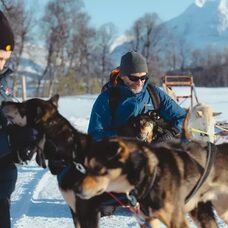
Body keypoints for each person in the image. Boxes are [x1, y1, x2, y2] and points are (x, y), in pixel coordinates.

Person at [88, 51, 186, 142]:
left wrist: (171, 133)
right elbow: (94, 135)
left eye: (143, 78)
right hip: (121, 154)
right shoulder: (108, 99)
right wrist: (121, 135)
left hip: (152, 153)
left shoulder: (154, 94)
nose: (139, 82)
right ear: (122, 76)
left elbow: (182, 117)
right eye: (134, 78)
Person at [0, 11, 37, 228]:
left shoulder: (3, 85)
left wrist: (22, 141)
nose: (2, 64)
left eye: (5, 59)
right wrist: (10, 142)